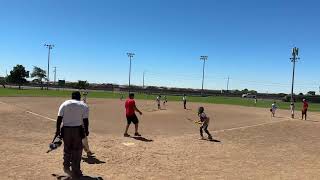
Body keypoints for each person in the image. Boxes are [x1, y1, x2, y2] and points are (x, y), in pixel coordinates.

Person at [55, 91, 89, 178]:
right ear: (79, 97)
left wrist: (57, 131)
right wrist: (86, 131)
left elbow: (59, 119)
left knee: (67, 149)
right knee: (77, 150)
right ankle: (76, 170)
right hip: (77, 130)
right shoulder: (83, 105)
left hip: (65, 130)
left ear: (71, 96)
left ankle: (66, 167)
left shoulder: (64, 104)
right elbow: (85, 120)